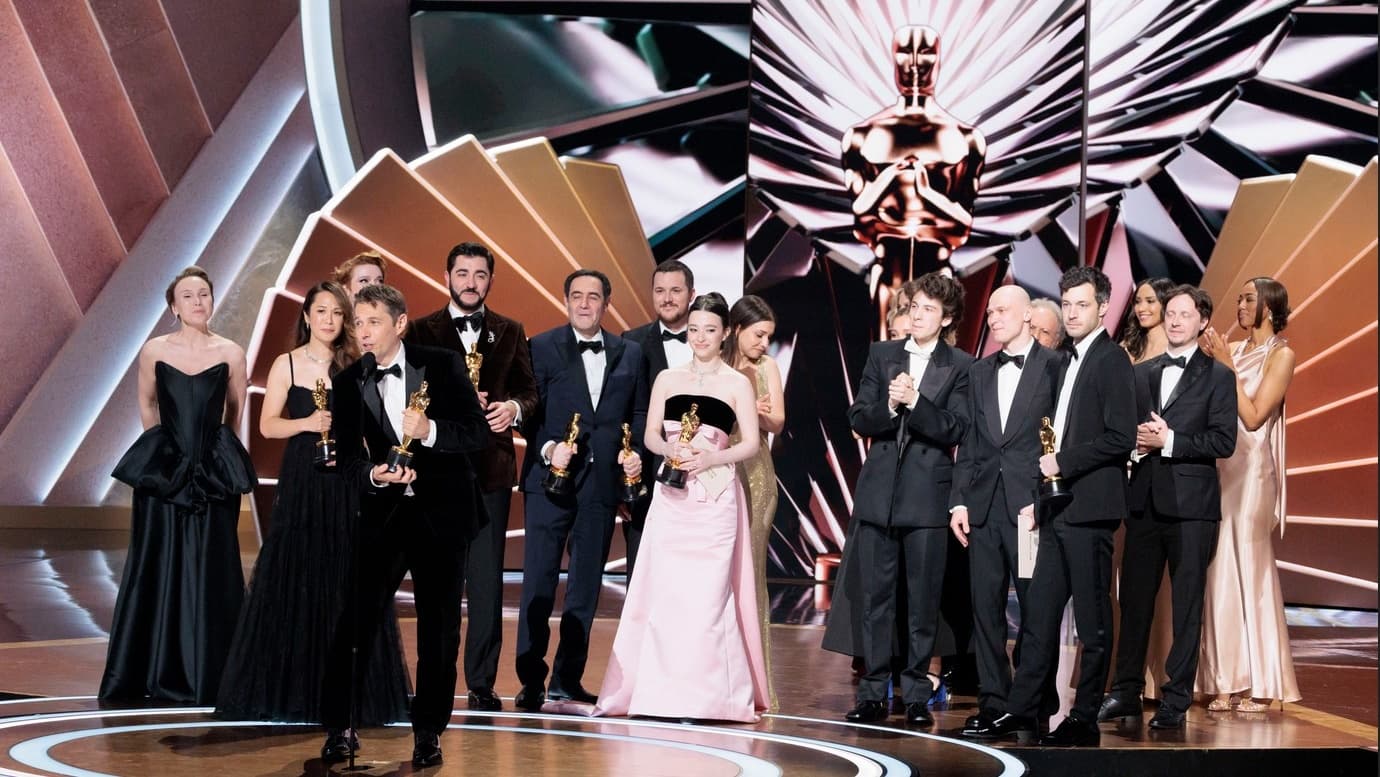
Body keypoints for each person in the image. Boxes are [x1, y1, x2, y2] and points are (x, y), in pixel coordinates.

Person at [217, 282, 410, 725]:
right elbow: (267, 426)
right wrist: (307, 422)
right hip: (304, 479)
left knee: (347, 575)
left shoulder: (355, 365)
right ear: (306, 316)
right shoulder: (286, 364)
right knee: (297, 572)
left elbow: (371, 425)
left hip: (345, 480)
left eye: (337, 313)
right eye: (321, 311)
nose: (329, 320)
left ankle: (348, 694)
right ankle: (293, 691)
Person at [317, 283, 489, 768]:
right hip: (384, 517)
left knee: (440, 632)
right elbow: (347, 461)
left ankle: (428, 732)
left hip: (442, 517)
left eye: (373, 322)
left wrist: (429, 431)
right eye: (359, 323)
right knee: (356, 622)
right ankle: (340, 726)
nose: (364, 332)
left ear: (399, 323)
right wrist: (375, 475)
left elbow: (477, 432)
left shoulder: (442, 364)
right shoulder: (348, 382)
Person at [964, 266, 1135, 747]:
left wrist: (1063, 461)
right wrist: (1042, 495)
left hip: (1092, 509)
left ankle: (1084, 717)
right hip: (1057, 508)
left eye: (1083, 304)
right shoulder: (1067, 360)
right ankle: (1019, 709)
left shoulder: (1111, 360)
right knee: (1038, 617)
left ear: (1103, 307)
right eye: (1068, 304)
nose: (1074, 313)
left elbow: (1120, 437)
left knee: (1092, 620)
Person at [595, 293, 769, 722]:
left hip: (716, 498)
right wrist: (666, 447)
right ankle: (660, 696)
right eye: (694, 330)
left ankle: (707, 698)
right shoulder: (668, 378)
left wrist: (712, 457)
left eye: (710, 330)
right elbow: (650, 434)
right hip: (672, 497)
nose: (700, 338)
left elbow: (750, 442)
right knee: (667, 593)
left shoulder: (737, 383)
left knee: (708, 597)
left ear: (725, 333)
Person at [100, 267, 255, 705]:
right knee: (159, 565)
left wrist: (212, 460)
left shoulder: (231, 352)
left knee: (213, 568)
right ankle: (152, 672)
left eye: (204, 294)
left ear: (212, 301)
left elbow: (234, 415)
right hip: (165, 477)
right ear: (174, 305)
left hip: (213, 476)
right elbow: (147, 404)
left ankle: (212, 674)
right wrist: (166, 456)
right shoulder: (154, 350)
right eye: (188, 295)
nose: (197, 301)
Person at [405, 241, 538, 712]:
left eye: (479, 275)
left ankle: (482, 682)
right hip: (436, 472)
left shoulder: (510, 330)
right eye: (462, 273)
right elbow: (410, 393)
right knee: (438, 582)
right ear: (446, 277)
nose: (470, 282)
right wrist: (453, 404)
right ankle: (433, 681)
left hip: (490, 472)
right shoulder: (419, 330)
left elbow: (529, 391)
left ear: (490, 281)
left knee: (486, 582)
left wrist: (513, 408)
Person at [1103, 285, 1237, 731]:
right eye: (1171, 313)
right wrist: (1136, 447)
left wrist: (1171, 441)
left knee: (1186, 605)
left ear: (1203, 322)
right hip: (1143, 501)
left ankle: (1176, 698)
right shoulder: (1142, 373)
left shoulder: (1219, 377)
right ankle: (1124, 691)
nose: (1176, 321)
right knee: (1134, 601)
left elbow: (1223, 441)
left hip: (1192, 508)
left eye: (1185, 314)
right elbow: (1125, 433)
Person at [841, 272, 972, 727]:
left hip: (927, 498)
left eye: (928, 309)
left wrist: (917, 403)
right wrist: (890, 407)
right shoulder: (883, 355)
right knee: (876, 599)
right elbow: (859, 416)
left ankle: (916, 692)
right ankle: (873, 691)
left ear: (947, 318)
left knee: (922, 601)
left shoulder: (961, 365)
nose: (917, 315)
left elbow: (956, 429)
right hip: (879, 495)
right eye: (914, 306)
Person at [515, 270, 648, 710]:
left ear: (606, 303)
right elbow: (529, 414)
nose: (585, 304)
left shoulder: (630, 352)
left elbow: (638, 413)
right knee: (538, 582)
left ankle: (567, 679)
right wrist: (548, 449)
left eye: (593, 297)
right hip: (549, 483)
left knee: (586, 586)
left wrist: (634, 456)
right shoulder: (540, 346)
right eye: (577, 296)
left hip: (601, 486)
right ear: (566, 300)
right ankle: (531, 680)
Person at [947, 285, 1062, 729]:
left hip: (1030, 507)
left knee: (1036, 608)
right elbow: (971, 442)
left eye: (1002, 310)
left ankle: (1033, 702)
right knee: (985, 608)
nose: (993, 318)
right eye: (990, 311)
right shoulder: (979, 371)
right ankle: (994, 701)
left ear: (1027, 314)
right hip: (984, 506)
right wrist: (959, 501)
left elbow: (1059, 437)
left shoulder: (1054, 366)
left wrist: (1043, 498)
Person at [1197, 277, 1301, 711]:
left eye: (1248, 298)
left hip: (1253, 474)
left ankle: (1261, 682)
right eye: (1238, 297)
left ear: (1269, 307)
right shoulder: (1234, 350)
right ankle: (1224, 680)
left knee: (1250, 570)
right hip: (1221, 467)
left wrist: (1224, 367)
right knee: (1219, 572)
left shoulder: (1281, 355)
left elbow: (1256, 415)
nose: (1239, 305)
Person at [726, 294, 785, 711]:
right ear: (736, 329)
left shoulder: (767, 368)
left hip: (757, 477)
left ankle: (755, 681)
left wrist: (755, 412)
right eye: (759, 335)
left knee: (752, 574)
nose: (764, 343)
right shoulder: (717, 366)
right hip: (717, 474)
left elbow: (777, 420)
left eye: (768, 337)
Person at [621, 259, 695, 579]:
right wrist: (623, 480)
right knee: (643, 569)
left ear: (692, 294)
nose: (667, 298)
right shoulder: (631, 341)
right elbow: (623, 412)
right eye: (660, 291)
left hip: (701, 472)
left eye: (675, 290)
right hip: (646, 474)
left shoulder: (712, 341)